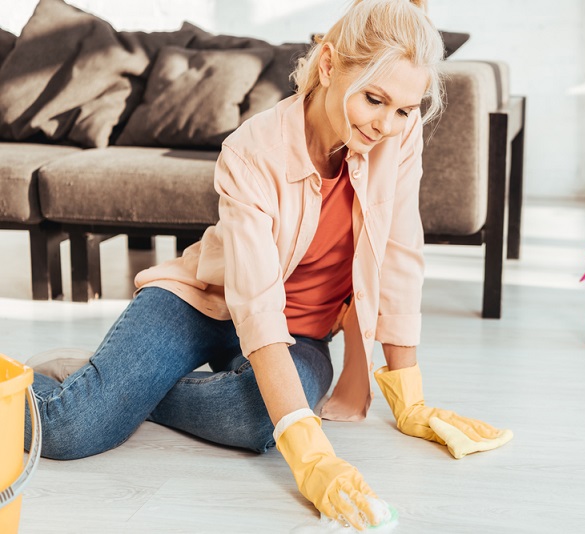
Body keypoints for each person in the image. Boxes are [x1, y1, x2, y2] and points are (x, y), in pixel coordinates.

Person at [24, 0, 512, 529]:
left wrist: (408, 392)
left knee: (260, 421)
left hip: (299, 331)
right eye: (374, 99)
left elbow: (399, 250)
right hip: (202, 304)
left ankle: (122, 387)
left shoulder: (398, 135)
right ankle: (91, 391)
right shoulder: (252, 149)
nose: (387, 125)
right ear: (328, 66)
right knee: (77, 428)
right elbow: (255, 302)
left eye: (404, 109)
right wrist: (314, 458)